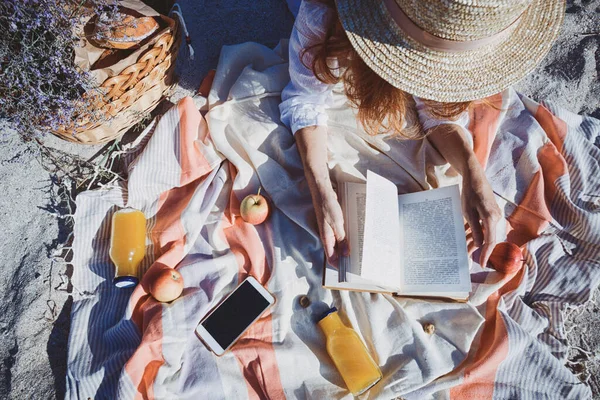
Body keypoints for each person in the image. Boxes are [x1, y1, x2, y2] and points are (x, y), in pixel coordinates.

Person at [279, 0, 564, 268]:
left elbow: (435, 108)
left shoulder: (476, 20)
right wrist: (321, 190)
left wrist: (472, 172)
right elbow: (305, 100)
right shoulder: (324, 13)